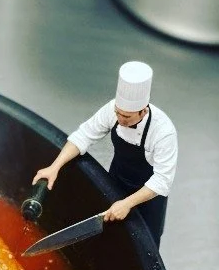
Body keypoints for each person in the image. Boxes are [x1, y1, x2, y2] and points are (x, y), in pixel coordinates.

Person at [32, 61, 177, 246]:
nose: (120, 119)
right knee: (109, 236)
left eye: (127, 116)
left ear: (143, 111)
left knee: (145, 245)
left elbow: (162, 181)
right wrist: (55, 167)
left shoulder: (163, 131)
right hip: (116, 180)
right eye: (118, 113)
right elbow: (84, 136)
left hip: (149, 197)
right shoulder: (113, 110)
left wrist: (127, 203)